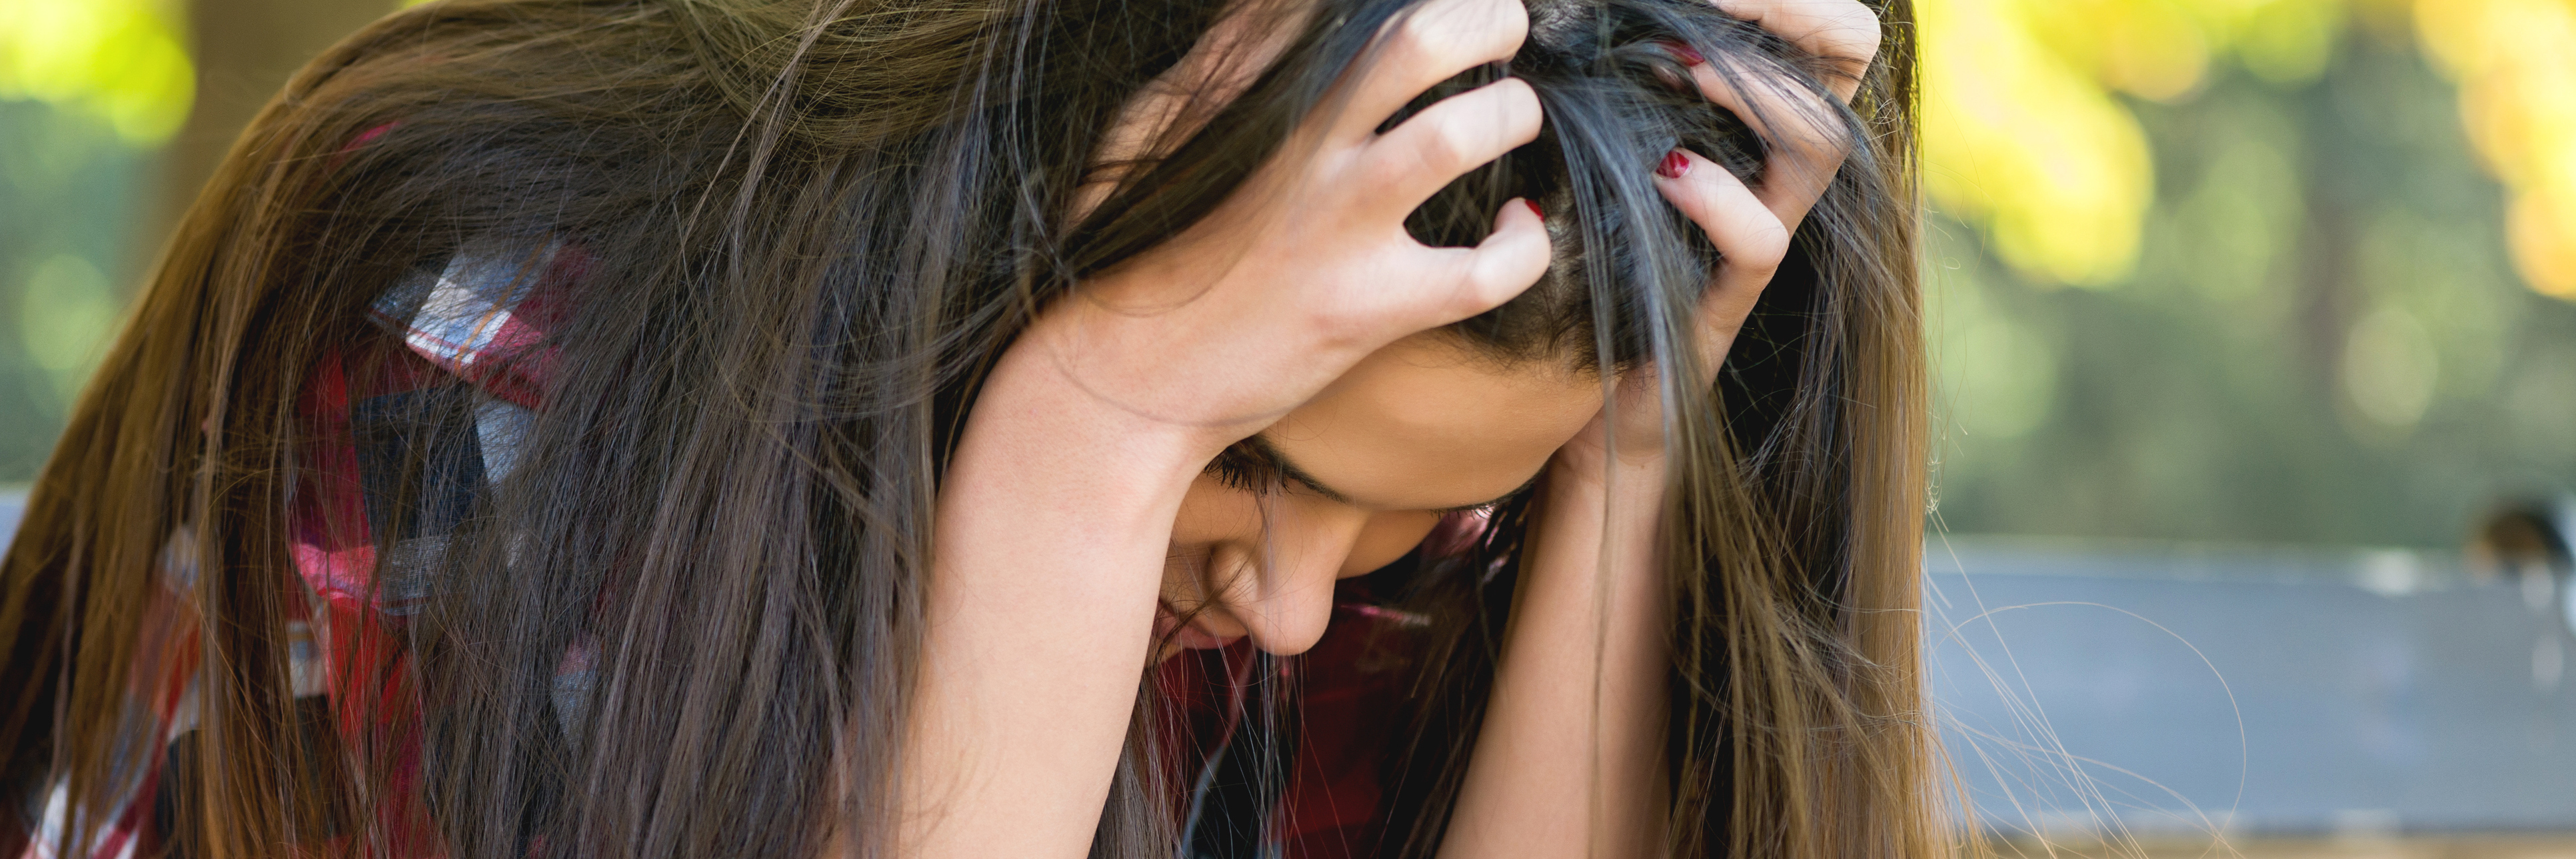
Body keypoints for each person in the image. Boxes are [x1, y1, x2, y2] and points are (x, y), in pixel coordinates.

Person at [0, 0, 1935, 854]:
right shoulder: (480, 333)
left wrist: (1627, 445)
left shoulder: (1396, 559)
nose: (1287, 609)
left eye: (1422, 513)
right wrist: (1091, 434)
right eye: (1258, 459)